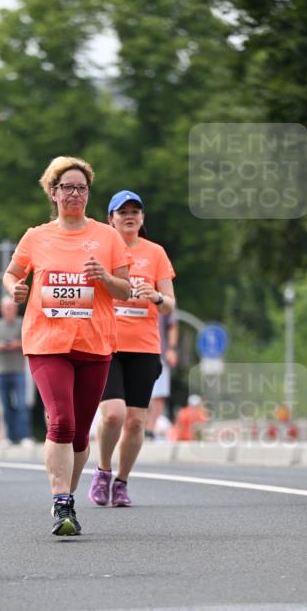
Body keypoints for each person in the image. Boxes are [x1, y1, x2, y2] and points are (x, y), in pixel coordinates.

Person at [2, 156, 130, 536]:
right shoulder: (36, 237)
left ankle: (66, 500)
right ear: (53, 193)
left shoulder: (107, 237)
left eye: (81, 188)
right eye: (67, 188)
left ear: (88, 194)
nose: (75, 194)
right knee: (61, 420)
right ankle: (62, 503)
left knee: (79, 433)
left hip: (94, 342)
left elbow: (125, 289)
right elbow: (10, 274)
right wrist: (16, 289)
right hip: (47, 341)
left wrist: (103, 276)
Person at [89, 190, 176, 507]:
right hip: (107, 344)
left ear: (142, 218)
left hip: (144, 347)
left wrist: (153, 296)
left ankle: (121, 482)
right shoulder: (99, 250)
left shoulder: (156, 254)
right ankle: (102, 471)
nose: (129, 216)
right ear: (110, 219)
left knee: (137, 421)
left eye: (135, 211)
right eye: (122, 211)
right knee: (113, 415)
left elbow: (169, 305)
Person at [0, 295, 32, 445]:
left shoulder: (22, 323)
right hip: (1, 371)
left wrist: (18, 345)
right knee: (5, 406)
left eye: (11, 308)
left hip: (19, 370)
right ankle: (10, 437)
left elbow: (31, 344)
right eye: (6, 308)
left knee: (21, 405)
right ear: (2, 309)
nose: (9, 310)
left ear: (16, 309)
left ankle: (25, 436)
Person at [146, 311, 179, 439]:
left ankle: (150, 429)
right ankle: (139, 426)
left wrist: (172, 349)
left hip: (159, 352)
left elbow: (172, 323)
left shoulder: (163, 292)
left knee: (158, 395)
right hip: (132, 350)